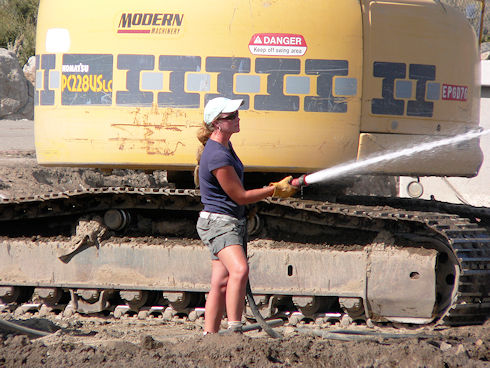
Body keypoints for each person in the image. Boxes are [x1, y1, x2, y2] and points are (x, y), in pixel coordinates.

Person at [195, 97, 297, 334]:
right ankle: (234, 329)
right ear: (217, 123)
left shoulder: (223, 146)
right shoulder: (218, 155)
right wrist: (274, 190)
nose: (237, 119)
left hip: (223, 221)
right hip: (220, 224)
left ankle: (209, 336)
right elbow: (239, 196)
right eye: (231, 116)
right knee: (239, 270)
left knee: (220, 283)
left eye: (236, 114)